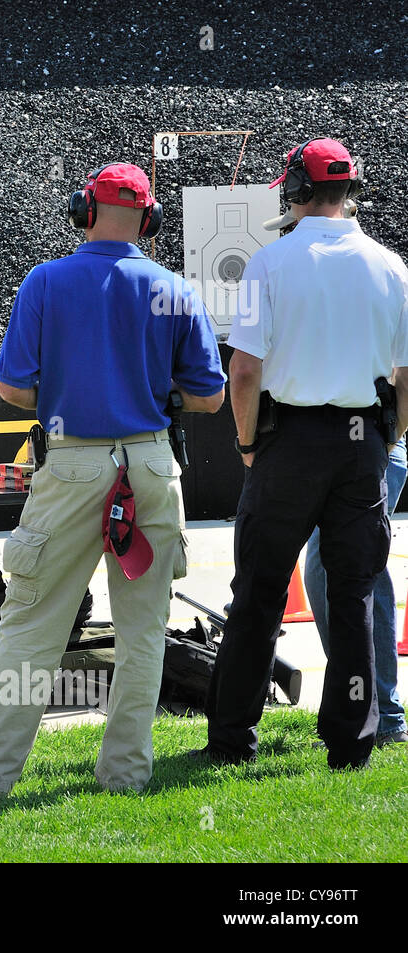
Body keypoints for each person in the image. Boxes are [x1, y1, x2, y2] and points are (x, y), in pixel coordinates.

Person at [0, 162, 225, 798]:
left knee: (32, 627)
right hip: (150, 465)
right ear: (148, 220)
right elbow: (208, 398)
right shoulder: (174, 289)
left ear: (84, 210)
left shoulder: (46, 280)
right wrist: (149, 388)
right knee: (143, 631)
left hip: (72, 464)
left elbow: (14, 386)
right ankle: (125, 776)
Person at [196, 137, 408, 769]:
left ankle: (232, 739)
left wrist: (247, 445)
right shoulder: (391, 267)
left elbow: (244, 372)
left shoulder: (271, 263)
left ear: (295, 189)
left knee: (258, 596)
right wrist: (388, 437)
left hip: (288, 443)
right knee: (352, 596)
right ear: (352, 190)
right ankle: (352, 741)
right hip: (361, 441)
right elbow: (406, 373)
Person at [287, 199, 407, 748]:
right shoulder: (376, 269)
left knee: (352, 575)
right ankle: (363, 703)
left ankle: (379, 711)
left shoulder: (373, 270)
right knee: (339, 574)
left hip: (367, 440)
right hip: (362, 440)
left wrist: (391, 438)